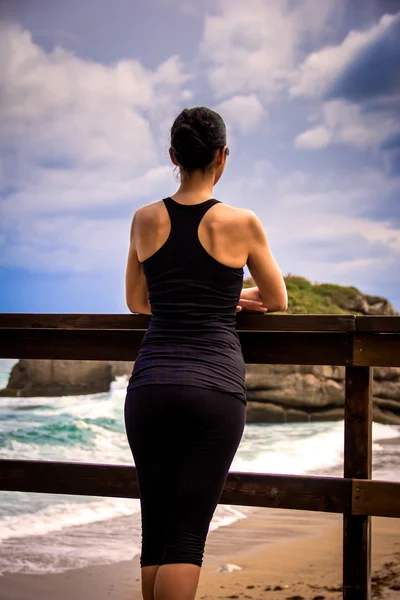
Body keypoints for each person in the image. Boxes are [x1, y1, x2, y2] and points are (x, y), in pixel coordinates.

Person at [124, 106, 288, 600]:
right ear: (223, 157)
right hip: (213, 388)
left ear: (173, 156)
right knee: (187, 539)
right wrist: (231, 299)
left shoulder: (145, 218)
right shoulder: (241, 222)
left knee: (155, 530)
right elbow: (277, 300)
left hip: (149, 386)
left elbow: (136, 303)